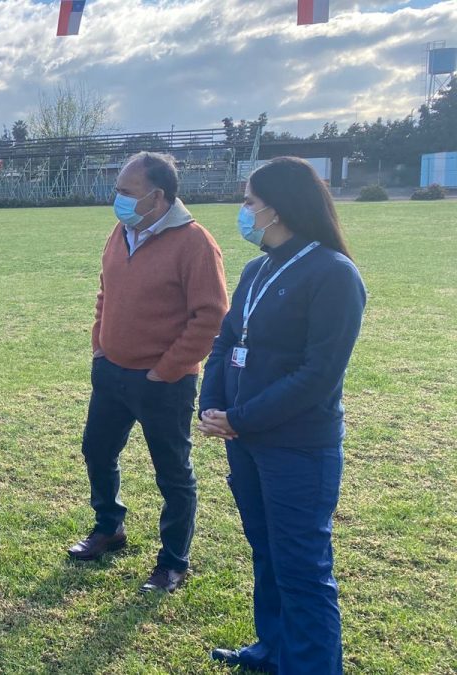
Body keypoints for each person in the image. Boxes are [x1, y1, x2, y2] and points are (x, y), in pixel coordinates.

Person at [200, 157, 365, 674]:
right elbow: (228, 339)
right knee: (268, 553)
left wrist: (241, 417)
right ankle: (273, 650)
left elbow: (319, 374)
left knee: (303, 568)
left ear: (278, 207)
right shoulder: (257, 267)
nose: (243, 211)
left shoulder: (334, 274)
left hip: (296, 446)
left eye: (249, 202)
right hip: (244, 438)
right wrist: (213, 403)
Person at [68, 152, 228, 593]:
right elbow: (106, 292)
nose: (115, 200)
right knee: (97, 451)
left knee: (172, 473)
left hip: (164, 383)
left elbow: (211, 317)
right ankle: (109, 527)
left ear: (157, 197)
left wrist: (166, 370)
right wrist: (99, 344)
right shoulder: (121, 233)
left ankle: (173, 560)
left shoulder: (195, 243)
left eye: (125, 192)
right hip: (111, 373)